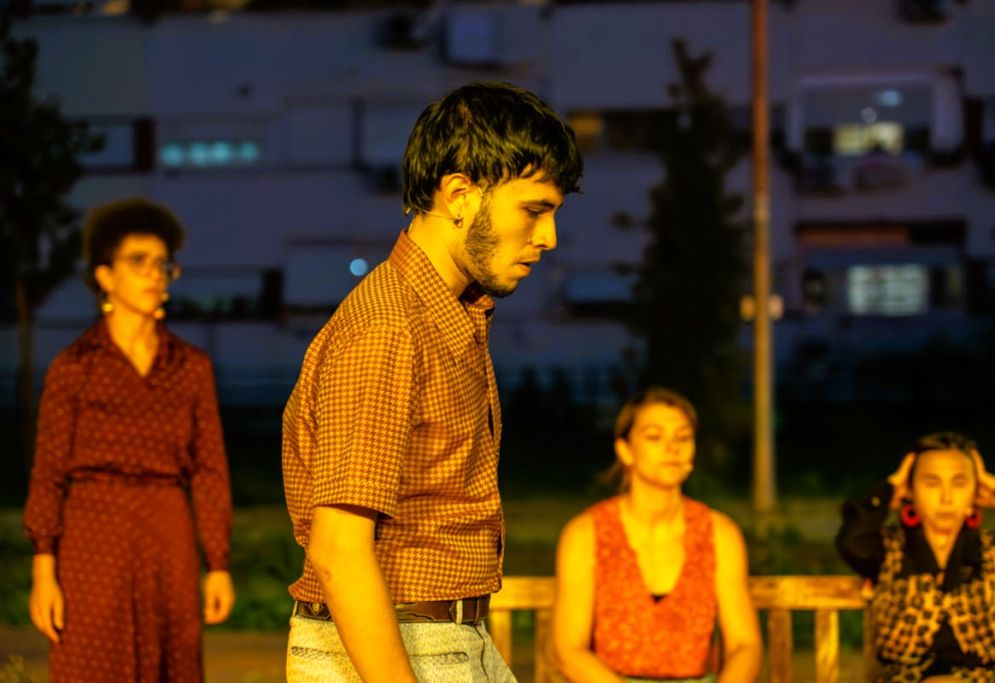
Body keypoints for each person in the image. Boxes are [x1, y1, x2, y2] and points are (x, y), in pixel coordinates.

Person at [281, 81, 583, 682]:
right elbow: (338, 549)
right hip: (399, 643)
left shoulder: (450, 314)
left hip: (448, 636)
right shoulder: (389, 327)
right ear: (460, 195)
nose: (548, 237)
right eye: (534, 210)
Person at [23, 197, 235, 682]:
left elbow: (209, 470)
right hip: (92, 537)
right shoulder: (74, 367)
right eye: (138, 261)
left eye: (162, 263)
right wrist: (43, 569)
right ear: (104, 275)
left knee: (171, 663)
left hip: (167, 535)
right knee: (91, 662)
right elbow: (48, 473)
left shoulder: (191, 367)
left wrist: (218, 563)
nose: (154, 274)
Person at [552, 387, 762, 683]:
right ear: (625, 450)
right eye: (654, 436)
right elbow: (569, 650)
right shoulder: (586, 534)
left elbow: (745, 644)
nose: (672, 447)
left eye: (683, 437)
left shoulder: (719, 533)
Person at [835, 432, 995, 682]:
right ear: (910, 492)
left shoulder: (993, 552)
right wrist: (890, 487)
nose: (946, 497)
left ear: (975, 494)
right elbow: (851, 541)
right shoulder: (889, 551)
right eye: (932, 482)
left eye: (959, 483)